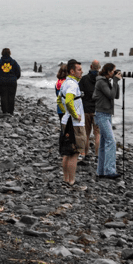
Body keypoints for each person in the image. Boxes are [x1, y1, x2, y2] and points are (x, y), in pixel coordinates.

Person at [58, 59, 87, 187]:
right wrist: (75, 115)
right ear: (72, 71)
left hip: (66, 120)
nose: (82, 72)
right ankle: (71, 180)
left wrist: (66, 113)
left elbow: (59, 101)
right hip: (74, 124)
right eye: (79, 70)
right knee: (74, 153)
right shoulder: (73, 85)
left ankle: (65, 179)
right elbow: (69, 101)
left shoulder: (64, 83)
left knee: (66, 152)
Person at [94, 63, 122, 179]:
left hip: (107, 114)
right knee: (111, 141)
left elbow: (116, 96)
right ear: (109, 71)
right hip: (101, 115)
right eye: (114, 71)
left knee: (104, 143)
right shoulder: (101, 82)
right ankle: (109, 171)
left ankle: (101, 171)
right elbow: (110, 95)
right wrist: (115, 81)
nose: (115, 73)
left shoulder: (106, 82)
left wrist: (116, 82)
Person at [79, 60, 101, 162]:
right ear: (99, 68)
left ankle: (86, 154)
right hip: (97, 109)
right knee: (97, 134)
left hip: (86, 109)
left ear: (91, 66)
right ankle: (97, 155)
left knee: (86, 133)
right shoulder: (101, 79)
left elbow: (79, 93)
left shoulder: (84, 79)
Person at [0, 48, 21, 115]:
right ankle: (11, 111)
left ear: (2, 53)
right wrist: (14, 78)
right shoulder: (13, 62)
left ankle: (4, 111)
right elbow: (18, 72)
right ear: (10, 53)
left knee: (3, 96)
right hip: (12, 81)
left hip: (1, 81)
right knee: (11, 96)